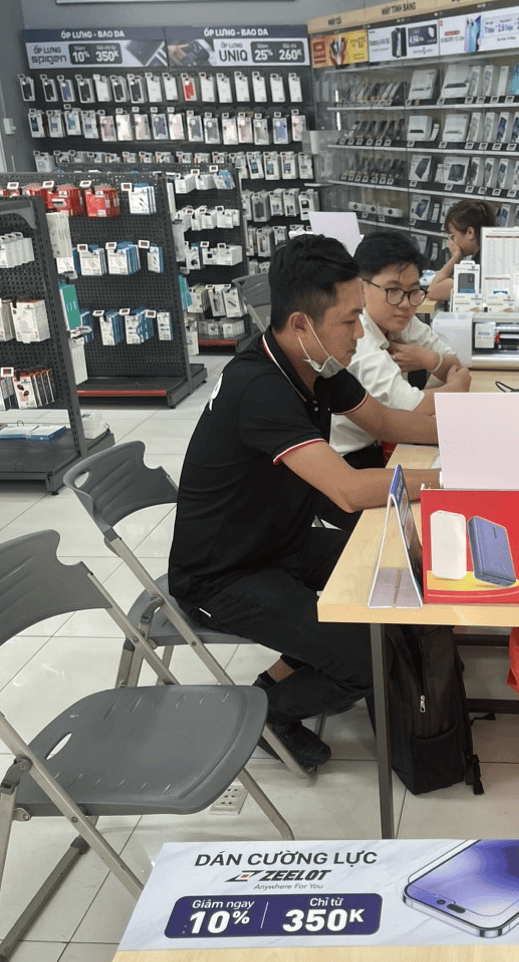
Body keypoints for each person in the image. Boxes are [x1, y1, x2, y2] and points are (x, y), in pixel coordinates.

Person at [167, 235, 440, 769]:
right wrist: (449, 481)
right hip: (222, 575)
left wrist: (476, 437)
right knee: (365, 660)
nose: (360, 332)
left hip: (279, 542)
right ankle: (268, 715)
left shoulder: (316, 364)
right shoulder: (260, 389)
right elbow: (349, 490)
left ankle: (284, 674)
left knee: (398, 572)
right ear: (301, 324)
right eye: (349, 319)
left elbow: (387, 422)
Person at [320, 230, 471, 530]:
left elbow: (455, 365)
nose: (405, 303)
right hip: (348, 464)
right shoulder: (357, 337)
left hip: (385, 446)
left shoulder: (398, 319)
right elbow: (411, 408)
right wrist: (454, 389)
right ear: (360, 286)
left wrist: (430, 360)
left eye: (414, 291)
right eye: (392, 290)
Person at [425, 199, 496, 304]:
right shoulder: (487, 255)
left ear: (470, 232)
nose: (451, 242)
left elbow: (432, 291)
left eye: (453, 236)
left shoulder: (480, 267)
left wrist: (456, 256)